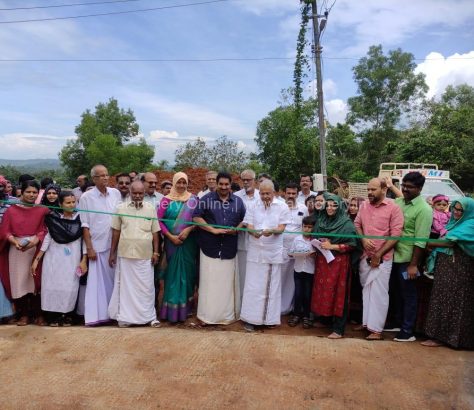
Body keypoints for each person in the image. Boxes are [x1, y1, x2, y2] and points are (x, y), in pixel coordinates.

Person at [193, 171, 246, 325]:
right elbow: (196, 217)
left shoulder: (237, 201)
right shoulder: (206, 199)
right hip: (209, 247)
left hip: (229, 247)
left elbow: (245, 219)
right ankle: (208, 316)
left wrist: (236, 228)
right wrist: (212, 230)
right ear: (216, 184)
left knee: (226, 284)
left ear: (230, 185)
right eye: (221, 184)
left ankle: (227, 316)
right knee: (209, 283)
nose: (224, 187)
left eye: (226, 184)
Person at [354, 178, 404, 340]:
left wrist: (378, 254)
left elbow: (396, 235)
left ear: (384, 190)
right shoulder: (364, 206)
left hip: (383, 258)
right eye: (368, 189)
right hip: (365, 256)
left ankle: (376, 330)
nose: (369, 192)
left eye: (373, 189)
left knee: (379, 293)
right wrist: (363, 239)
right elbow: (357, 224)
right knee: (367, 290)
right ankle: (367, 323)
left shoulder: (393, 208)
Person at [421, 197, 474, 349]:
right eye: (455, 209)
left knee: (457, 302)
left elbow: (449, 242)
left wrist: (421, 241)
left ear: (468, 211)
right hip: (447, 270)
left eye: (460, 210)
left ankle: (452, 339)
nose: (456, 212)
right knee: (442, 300)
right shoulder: (453, 223)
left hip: (460, 271)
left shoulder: (470, 224)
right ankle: (441, 337)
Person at [240, 180, 291, 331]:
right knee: (252, 286)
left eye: (268, 193)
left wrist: (272, 231)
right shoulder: (253, 205)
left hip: (272, 252)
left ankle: (268, 320)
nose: (265, 196)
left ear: (274, 192)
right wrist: (252, 232)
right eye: (262, 193)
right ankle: (251, 319)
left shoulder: (282, 206)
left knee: (270, 287)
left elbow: (282, 228)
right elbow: (248, 224)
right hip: (255, 252)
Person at [108, 181, 161, 328]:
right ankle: (126, 318)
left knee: (146, 288)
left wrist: (156, 252)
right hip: (125, 254)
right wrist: (112, 253)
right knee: (126, 288)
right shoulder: (120, 208)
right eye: (134, 193)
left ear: (144, 193)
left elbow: (155, 232)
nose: (137, 196)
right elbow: (116, 232)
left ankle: (149, 317)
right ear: (130, 193)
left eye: (140, 193)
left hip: (145, 255)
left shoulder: (151, 209)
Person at [31, 191, 87, 326]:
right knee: (52, 286)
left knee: (69, 287)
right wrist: (37, 259)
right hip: (54, 259)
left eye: (74, 202)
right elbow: (47, 239)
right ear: (61, 204)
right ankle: (53, 317)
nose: (72, 205)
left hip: (72, 260)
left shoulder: (80, 219)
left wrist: (84, 259)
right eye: (68, 202)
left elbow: (84, 241)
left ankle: (66, 315)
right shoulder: (53, 219)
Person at [390, 172, 432, 342]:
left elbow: (421, 241)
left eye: (410, 187)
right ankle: (396, 322)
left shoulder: (424, 209)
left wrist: (414, 265)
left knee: (409, 294)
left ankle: (407, 331)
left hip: (408, 260)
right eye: (404, 186)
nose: (405, 189)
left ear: (420, 188)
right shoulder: (398, 202)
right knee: (395, 292)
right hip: (393, 255)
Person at [1, 180, 50, 326]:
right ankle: (24, 315)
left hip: (35, 250)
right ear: (21, 192)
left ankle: (38, 314)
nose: (31, 194)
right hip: (16, 250)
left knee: (36, 282)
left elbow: (45, 229)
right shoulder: (11, 210)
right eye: (28, 191)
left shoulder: (43, 210)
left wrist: (36, 240)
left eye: (34, 192)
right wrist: (14, 241)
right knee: (19, 283)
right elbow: (4, 230)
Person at [311, 194, 359, 339]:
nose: (330, 208)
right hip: (323, 262)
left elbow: (353, 245)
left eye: (334, 206)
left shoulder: (346, 224)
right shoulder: (321, 220)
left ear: (340, 207)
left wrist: (333, 245)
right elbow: (314, 234)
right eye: (328, 205)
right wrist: (319, 242)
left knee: (339, 294)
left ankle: (338, 329)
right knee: (324, 291)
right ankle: (325, 320)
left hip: (339, 264)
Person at [80, 165, 121, 326]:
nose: (105, 177)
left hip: (114, 245)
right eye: (101, 175)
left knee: (113, 281)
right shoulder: (86, 197)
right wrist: (89, 248)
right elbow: (85, 225)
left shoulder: (115, 193)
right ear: (94, 179)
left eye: (106, 174)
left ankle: (113, 314)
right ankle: (96, 316)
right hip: (96, 246)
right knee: (97, 284)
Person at [158, 172, 198, 323]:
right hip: (171, 243)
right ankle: (171, 311)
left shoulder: (193, 200)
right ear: (174, 183)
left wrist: (188, 230)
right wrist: (170, 237)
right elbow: (159, 221)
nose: (181, 186)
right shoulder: (165, 200)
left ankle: (186, 309)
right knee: (172, 275)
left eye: (184, 183)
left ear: (187, 183)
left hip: (188, 242)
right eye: (178, 183)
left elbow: (198, 220)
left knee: (187, 274)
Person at [281, 182, 308, 314]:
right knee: (280, 278)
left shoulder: (303, 208)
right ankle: (277, 307)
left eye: (293, 193)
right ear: (284, 194)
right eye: (288, 193)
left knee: (293, 280)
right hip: (280, 249)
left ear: (297, 194)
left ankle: (288, 308)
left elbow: (306, 228)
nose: (291, 196)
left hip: (297, 251)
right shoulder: (279, 207)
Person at [234, 169, 260, 301]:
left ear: (254, 180)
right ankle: (242, 301)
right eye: (243, 179)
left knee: (256, 274)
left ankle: (254, 301)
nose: (245, 182)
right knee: (242, 273)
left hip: (258, 241)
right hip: (241, 241)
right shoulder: (235, 196)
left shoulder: (262, 196)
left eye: (248, 180)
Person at [287, 216, 316, 329]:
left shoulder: (315, 241)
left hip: (309, 271)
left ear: (313, 228)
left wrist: (314, 255)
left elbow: (319, 254)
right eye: (305, 227)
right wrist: (293, 253)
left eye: (310, 227)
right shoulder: (297, 239)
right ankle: (296, 315)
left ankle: (307, 316)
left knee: (307, 294)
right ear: (302, 227)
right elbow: (291, 252)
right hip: (298, 270)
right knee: (298, 293)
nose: (307, 229)